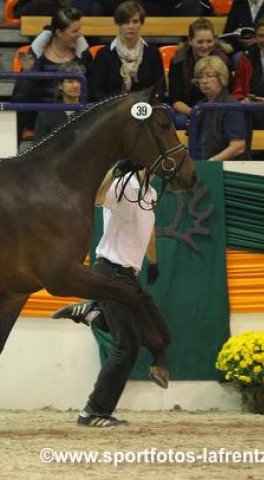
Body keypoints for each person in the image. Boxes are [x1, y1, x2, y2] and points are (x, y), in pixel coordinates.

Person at [53, 162, 171, 427]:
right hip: (110, 272)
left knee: (161, 334)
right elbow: (95, 198)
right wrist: (113, 172)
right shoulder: (122, 185)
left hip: (129, 276)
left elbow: (148, 232)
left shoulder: (150, 193)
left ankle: (94, 314)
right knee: (125, 347)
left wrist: (153, 263)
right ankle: (93, 413)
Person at [11, 2, 92, 141]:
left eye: (79, 29)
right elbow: (21, 96)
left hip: (76, 117)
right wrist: (28, 72)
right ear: (59, 32)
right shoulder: (35, 56)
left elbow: (92, 92)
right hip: (40, 118)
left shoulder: (85, 57)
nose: (80, 35)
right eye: (74, 31)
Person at [91, 1, 164, 101]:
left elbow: (160, 88)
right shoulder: (104, 54)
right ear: (118, 24)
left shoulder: (152, 52)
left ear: (141, 23)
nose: (131, 27)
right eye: (126, 22)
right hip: (112, 110)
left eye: (135, 22)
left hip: (144, 109)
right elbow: (97, 90)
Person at [168, 18, 232, 128]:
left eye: (209, 41)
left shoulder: (223, 59)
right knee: (180, 120)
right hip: (188, 109)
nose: (205, 46)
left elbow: (228, 92)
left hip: (218, 107)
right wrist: (194, 112)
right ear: (190, 40)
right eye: (200, 42)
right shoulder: (179, 61)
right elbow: (175, 99)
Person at [191, 55, 248, 161]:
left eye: (209, 76)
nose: (203, 81)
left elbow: (238, 146)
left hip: (222, 169)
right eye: (200, 77)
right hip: (198, 164)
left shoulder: (231, 106)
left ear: (221, 78)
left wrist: (210, 164)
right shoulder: (200, 106)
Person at [33, 61, 84, 142]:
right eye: (70, 81)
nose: (75, 85)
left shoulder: (91, 111)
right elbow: (38, 148)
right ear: (60, 85)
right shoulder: (46, 114)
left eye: (79, 81)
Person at [232, 20, 264, 129]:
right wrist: (244, 100)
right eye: (261, 36)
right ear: (255, 38)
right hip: (252, 104)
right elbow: (238, 88)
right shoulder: (246, 58)